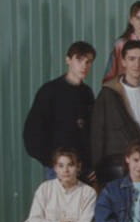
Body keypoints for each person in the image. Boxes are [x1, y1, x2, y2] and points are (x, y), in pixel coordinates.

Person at [91, 40, 140, 184]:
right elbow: (97, 133)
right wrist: (96, 166)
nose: (137, 64)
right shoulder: (108, 93)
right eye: (132, 59)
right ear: (123, 61)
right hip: (119, 165)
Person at [24, 41, 96, 181]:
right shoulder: (49, 91)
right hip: (58, 169)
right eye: (79, 60)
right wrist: (52, 162)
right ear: (68, 60)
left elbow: (89, 132)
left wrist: (90, 164)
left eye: (88, 62)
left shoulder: (87, 93)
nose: (84, 66)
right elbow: (32, 132)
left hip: (82, 169)